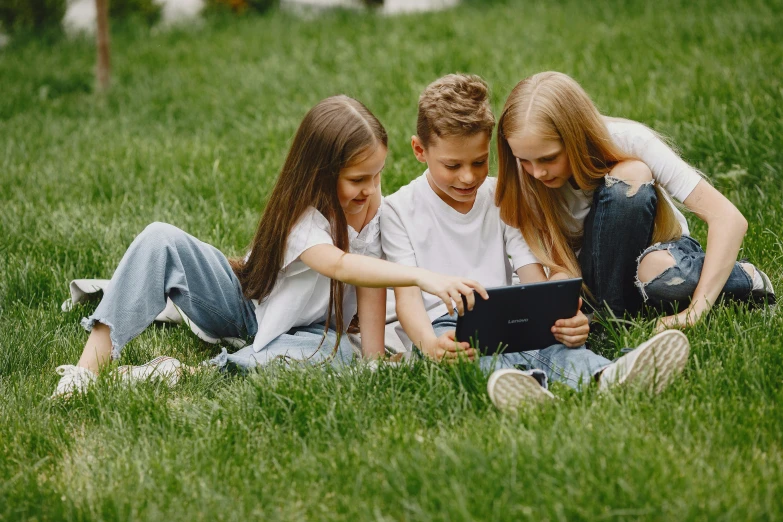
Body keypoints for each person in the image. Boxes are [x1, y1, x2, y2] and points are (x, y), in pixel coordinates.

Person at [52, 95, 487, 399]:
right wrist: (419, 274)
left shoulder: (376, 212)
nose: (372, 189)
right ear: (320, 172)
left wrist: (373, 361)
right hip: (250, 305)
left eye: (378, 175)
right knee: (159, 237)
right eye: (358, 179)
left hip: (316, 331)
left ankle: (181, 372)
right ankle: (86, 370)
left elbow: (371, 287)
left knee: (326, 358)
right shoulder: (304, 217)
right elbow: (340, 266)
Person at [380, 74, 690, 411]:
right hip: (447, 325)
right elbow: (406, 298)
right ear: (419, 150)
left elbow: (532, 274)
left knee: (555, 345)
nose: (468, 177)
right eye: (452, 165)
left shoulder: (501, 197)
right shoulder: (398, 209)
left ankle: (608, 375)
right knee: (479, 357)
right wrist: (428, 344)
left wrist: (553, 316)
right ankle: (526, 388)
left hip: (508, 310)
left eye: (479, 162)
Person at [495, 71, 775, 330]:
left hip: (654, 257)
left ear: (576, 137)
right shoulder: (526, 177)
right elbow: (559, 265)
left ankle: (743, 277)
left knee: (657, 263)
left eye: (548, 158)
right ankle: (611, 314)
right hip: (590, 275)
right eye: (524, 160)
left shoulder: (628, 140)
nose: (538, 172)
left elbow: (729, 219)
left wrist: (695, 311)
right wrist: (565, 305)